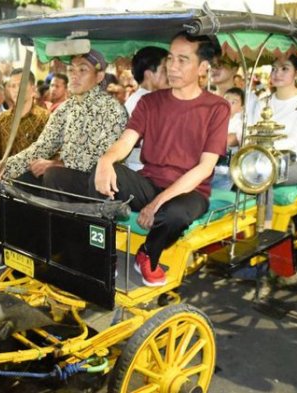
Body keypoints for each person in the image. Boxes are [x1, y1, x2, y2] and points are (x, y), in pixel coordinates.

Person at [92, 32, 229, 286]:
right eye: (170, 58)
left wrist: (157, 203)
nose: (172, 67)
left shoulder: (217, 107)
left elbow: (205, 168)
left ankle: (147, 254)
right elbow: (125, 142)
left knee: (173, 214)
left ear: (202, 67)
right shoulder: (149, 102)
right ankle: (97, 253)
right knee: (100, 177)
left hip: (191, 191)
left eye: (182, 60)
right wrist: (105, 161)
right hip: (149, 182)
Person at [0, 49, 127, 191]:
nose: (75, 76)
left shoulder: (112, 109)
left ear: (99, 76)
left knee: (53, 175)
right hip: (63, 178)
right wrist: (6, 166)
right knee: (19, 180)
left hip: (98, 184)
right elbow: (42, 147)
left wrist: (57, 165)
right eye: (71, 70)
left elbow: (100, 160)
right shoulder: (66, 108)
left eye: (82, 70)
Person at [255, 54, 297, 186]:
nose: (277, 73)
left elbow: (295, 139)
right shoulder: (263, 102)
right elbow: (253, 132)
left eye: (285, 69)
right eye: (274, 69)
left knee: (263, 174)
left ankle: (266, 207)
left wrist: (266, 148)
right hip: (261, 158)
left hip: (294, 161)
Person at [124, 46, 170, 171]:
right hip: (143, 170)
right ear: (149, 74)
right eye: (165, 70)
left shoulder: (138, 98)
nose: (171, 74)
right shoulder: (146, 101)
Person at [0, 69, 50, 161]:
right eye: (12, 86)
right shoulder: (1, 120)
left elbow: (50, 154)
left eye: (21, 85)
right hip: (6, 173)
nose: (16, 90)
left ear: (33, 89)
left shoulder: (46, 118)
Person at [211, 87, 244, 190]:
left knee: (221, 189)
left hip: (226, 168)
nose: (228, 104)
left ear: (241, 108)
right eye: (226, 100)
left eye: (233, 102)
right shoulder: (214, 118)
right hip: (211, 166)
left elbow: (236, 139)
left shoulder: (239, 123)